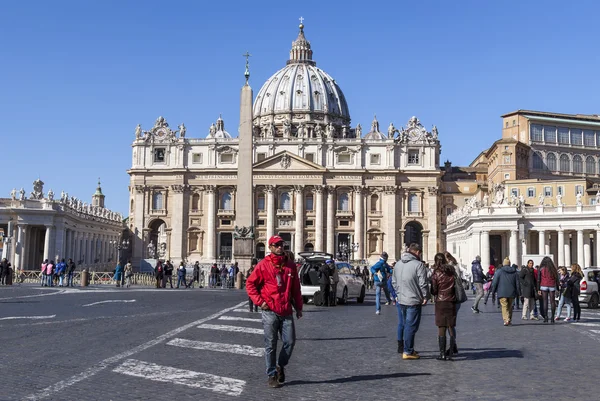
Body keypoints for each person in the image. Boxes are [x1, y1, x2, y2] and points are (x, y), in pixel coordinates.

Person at [246, 235, 303, 388]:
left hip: (286, 310)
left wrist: (299, 307)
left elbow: (296, 289)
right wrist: (260, 302)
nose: (280, 247)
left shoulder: (290, 265)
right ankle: (271, 375)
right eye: (276, 245)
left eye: (282, 244)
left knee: (290, 342)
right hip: (269, 310)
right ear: (270, 247)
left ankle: (280, 365)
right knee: (270, 345)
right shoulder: (263, 265)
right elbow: (250, 284)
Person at [392, 243, 429, 360]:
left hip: (401, 300)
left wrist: (398, 294)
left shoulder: (397, 264)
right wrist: (425, 296)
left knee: (404, 324)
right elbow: (423, 283)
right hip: (413, 300)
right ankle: (408, 351)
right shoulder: (418, 265)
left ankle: (407, 348)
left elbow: (393, 282)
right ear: (417, 252)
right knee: (411, 326)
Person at [431, 253, 457, 361]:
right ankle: (451, 352)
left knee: (441, 326)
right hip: (451, 300)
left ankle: (442, 354)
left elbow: (434, 290)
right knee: (451, 325)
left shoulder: (436, 273)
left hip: (441, 301)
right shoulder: (452, 271)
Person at [491, 257, 520, 326]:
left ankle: (506, 320)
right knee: (510, 306)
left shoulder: (499, 271)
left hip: (502, 291)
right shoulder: (514, 272)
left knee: (504, 306)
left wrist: (493, 290)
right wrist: (518, 292)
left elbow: (494, 282)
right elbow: (517, 283)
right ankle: (509, 319)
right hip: (512, 292)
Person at [444, 251, 460, 356]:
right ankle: (453, 344)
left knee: (447, 323)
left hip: (450, 297)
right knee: (451, 323)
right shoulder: (456, 266)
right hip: (456, 298)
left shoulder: (449, 268)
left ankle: (451, 346)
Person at [537, 256, 559, 324]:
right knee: (552, 302)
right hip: (552, 285)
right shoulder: (553, 269)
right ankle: (552, 318)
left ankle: (546, 317)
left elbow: (538, 279)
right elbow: (556, 279)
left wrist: (538, 289)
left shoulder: (541, 269)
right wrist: (557, 288)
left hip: (543, 285)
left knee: (545, 302)